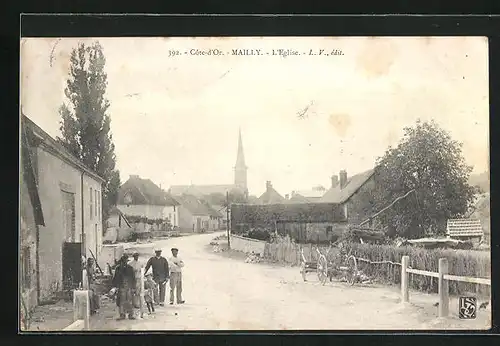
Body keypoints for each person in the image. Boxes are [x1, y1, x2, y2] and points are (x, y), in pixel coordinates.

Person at [112, 254, 136, 320]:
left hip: (129, 287)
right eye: (123, 261)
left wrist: (133, 287)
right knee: (121, 301)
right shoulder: (118, 268)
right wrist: (114, 287)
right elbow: (115, 278)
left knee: (130, 301)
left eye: (125, 261)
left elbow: (133, 278)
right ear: (122, 261)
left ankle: (130, 314)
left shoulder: (130, 268)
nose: (125, 262)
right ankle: (122, 315)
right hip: (121, 287)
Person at [129, 252, 143, 317]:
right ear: (133, 257)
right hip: (133, 279)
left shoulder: (140, 263)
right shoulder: (130, 264)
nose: (136, 257)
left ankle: (136, 303)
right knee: (132, 291)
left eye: (137, 256)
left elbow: (141, 271)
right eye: (135, 256)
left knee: (138, 291)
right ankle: (132, 303)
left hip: (138, 278)